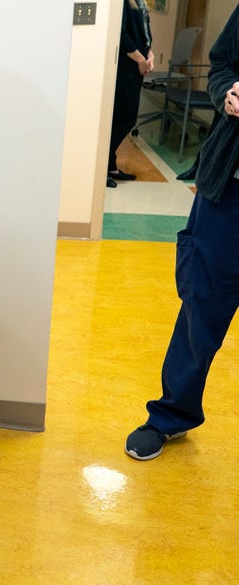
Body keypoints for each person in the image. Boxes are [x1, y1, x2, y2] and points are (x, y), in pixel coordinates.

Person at [125, 6, 239, 461]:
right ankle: (173, 414)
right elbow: (222, 63)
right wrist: (227, 91)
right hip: (227, 191)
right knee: (201, 307)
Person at [107, 0, 154, 189]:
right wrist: (141, 59)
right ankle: (104, 166)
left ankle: (109, 165)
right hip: (126, 67)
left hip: (136, 68)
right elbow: (121, 33)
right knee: (124, 118)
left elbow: (144, 32)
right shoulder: (123, 2)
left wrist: (150, 53)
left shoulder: (139, 2)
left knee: (123, 118)